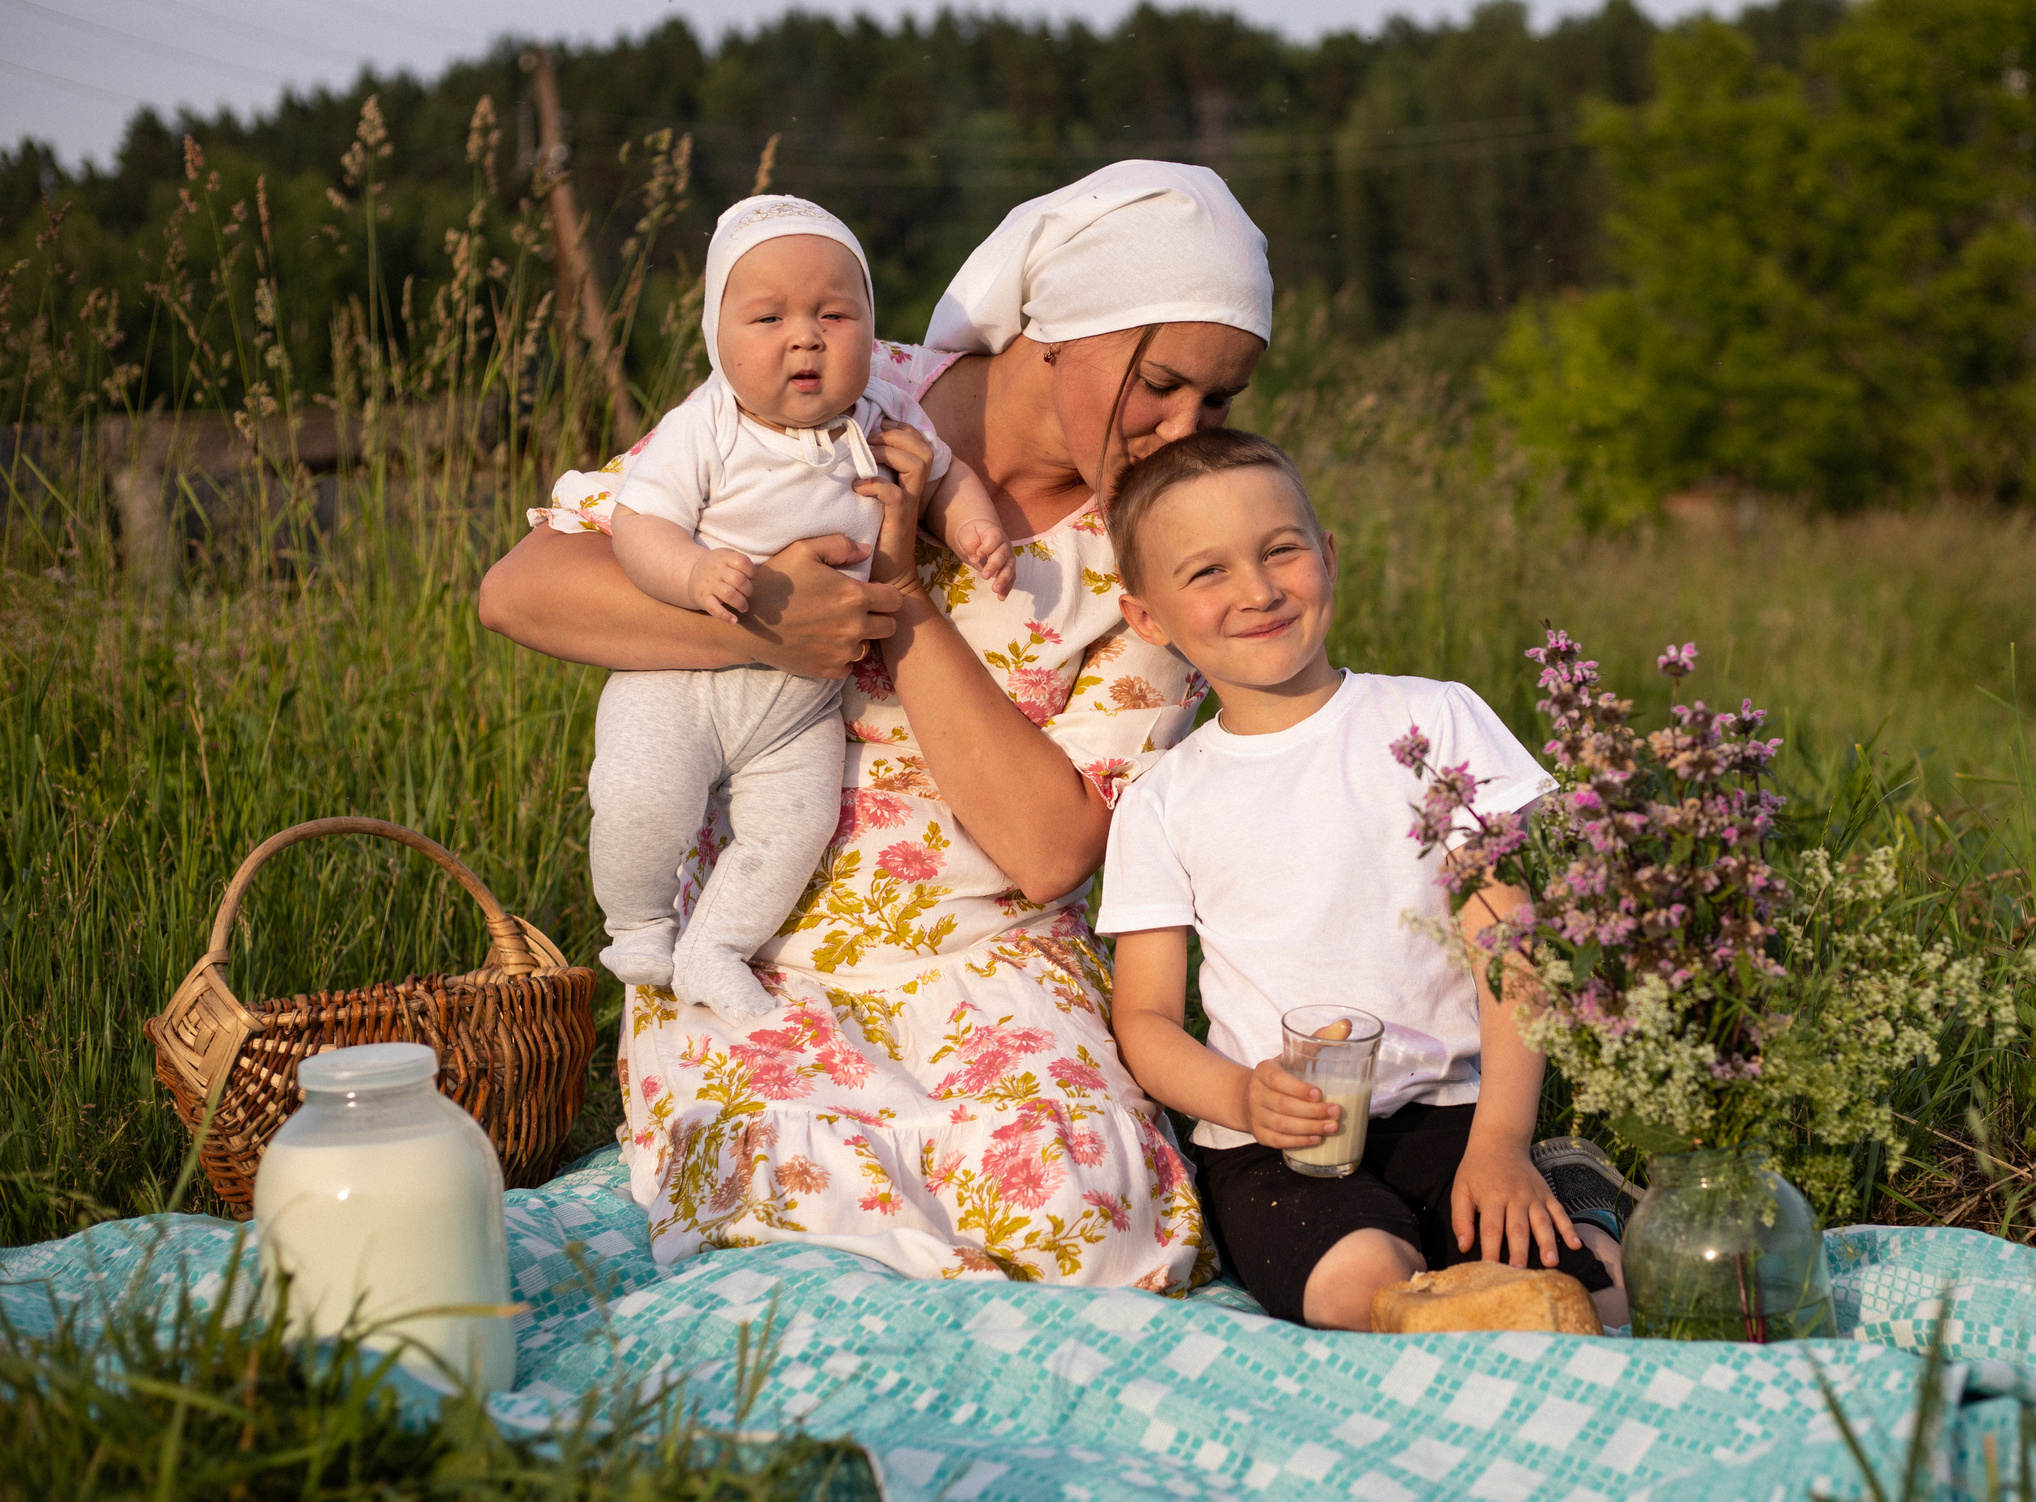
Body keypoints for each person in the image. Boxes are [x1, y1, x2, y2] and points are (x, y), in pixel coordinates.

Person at [479, 161, 1270, 1288]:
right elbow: (522, 589)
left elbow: (1053, 851)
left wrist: (899, 612)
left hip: (992, 956)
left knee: (1089, 1219)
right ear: (1063, 330)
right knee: (805, 1211)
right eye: (1166, 385)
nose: (1184, 429)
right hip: (755, 941)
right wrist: (773, 627)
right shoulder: (834, 380)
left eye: (1218, 403)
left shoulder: (1165, 538)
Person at [1096, 429, 1631, 1331]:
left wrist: (1500, 1142)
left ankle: (1559, 1174)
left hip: (1454, 1111)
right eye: (1208, 572)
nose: (1259, 591)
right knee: (1360, 1283)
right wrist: (1241, 1098)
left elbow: (1510, 939)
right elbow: (1144, 1019)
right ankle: (1461, 1275)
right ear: (1147, 617)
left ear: (1329, 556)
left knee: (1604, 1294)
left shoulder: (1434, 718)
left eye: (1281, 550)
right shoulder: (1162, 797)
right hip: (1277, 1141)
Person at [586, 194, 1013, 1024]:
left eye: (833, 313)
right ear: (717, 337)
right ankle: (636, 922)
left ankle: (716, 946)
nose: (805, 335)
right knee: (643, 795)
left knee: (796, 826)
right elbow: (637, 524)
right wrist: (694, 572)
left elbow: (949, 475)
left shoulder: (883, 412)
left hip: (798, 709)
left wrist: (973, 525)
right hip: (679, 680)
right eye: (768, 316)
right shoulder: (704, 426)